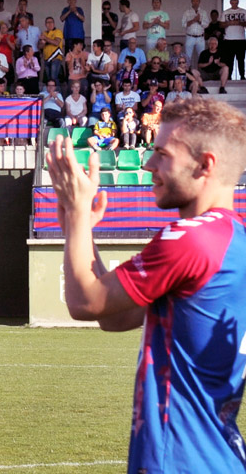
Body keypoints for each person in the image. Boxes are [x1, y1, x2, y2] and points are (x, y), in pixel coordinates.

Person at [45, 98, 246, 473]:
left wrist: (74, 213)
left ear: (205, 165)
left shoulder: (190, 239)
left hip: (181, 460)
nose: (149, 164)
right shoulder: (233, 239)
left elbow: (85, 303)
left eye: (162, 154)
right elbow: (114, 317)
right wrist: (82, 227)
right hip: (219, 456)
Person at [221, 0, 246, 79]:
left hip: (241, 39)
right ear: (230, 2)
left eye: (236, 3)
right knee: (229, 60)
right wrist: (229, 23)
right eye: (233, 3)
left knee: (241, 59)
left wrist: (239, 22)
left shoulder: (243, 11)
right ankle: (228, 77)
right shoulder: (226, 12)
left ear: (238, 2)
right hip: (229, 39)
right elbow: (221, 25)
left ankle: (242, 76)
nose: (234, 4)